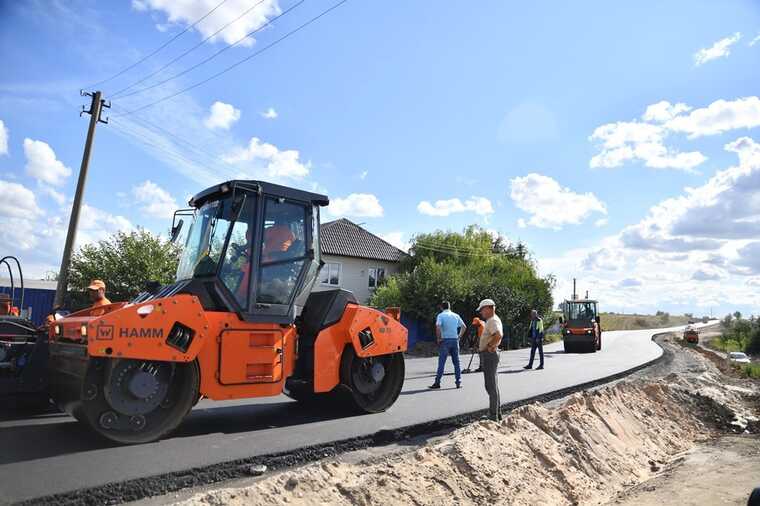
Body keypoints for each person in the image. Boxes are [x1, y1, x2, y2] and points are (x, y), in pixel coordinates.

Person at [429, 301, 466, 389]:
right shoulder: (456, 315)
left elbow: (438, 327)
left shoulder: (441, 315)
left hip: (445, 340)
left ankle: (437, 383)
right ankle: (458, 382)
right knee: (456, 362)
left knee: (442, 362)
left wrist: (439, 338)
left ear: (441, 307)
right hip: (454, 340)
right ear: (449, 307)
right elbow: (464, 326)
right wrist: (459, 336)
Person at [477, 298, 502, 422]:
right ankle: (497, 413)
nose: (481, 312)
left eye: (482, 309)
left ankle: (493, 416)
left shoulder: (492, 321)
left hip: (489, 355)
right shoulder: (492, 320)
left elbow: (498, 335)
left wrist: (489, 347)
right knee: (493, 385)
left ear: (489, 308)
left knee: (490, 385)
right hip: (490, 354)